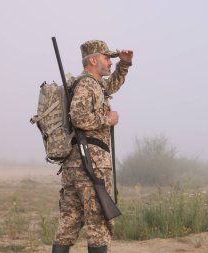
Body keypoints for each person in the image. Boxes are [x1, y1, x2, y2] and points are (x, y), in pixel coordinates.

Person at [52, 40, 133, 253]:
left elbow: (111, 85)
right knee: (98, 221)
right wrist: (108, 119)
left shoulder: (93, 84)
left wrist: (123, 65)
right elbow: (79, 117)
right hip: (91, 163)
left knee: (69, 220)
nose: (109, 62)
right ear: (93, 60)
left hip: (75, 163)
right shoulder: (88, 85)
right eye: (107, 58)